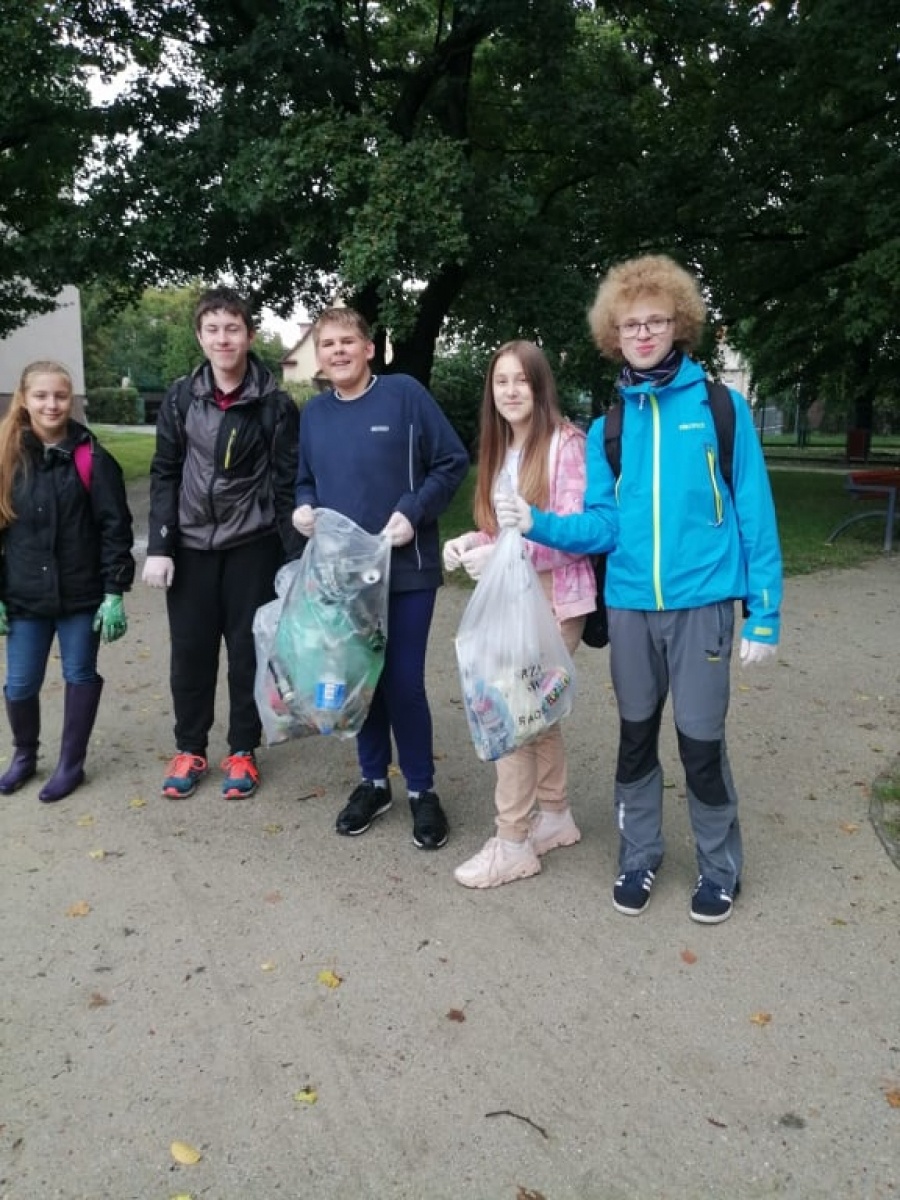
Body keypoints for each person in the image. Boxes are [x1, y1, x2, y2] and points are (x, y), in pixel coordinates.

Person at [495, 254, 782, 924]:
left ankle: (719, 867)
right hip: (628, 609)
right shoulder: (609, 428)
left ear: (678, 325)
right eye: (631, 325)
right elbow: (602, 523)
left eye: (657, 321)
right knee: (634, 740)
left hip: (704, 606)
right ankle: (639, 855)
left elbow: (755, 514)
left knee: (700, 743)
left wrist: (764, 612)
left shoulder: (721, 409)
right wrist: (538, 522)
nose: (644, 333)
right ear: (614, 335)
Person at [293, 307, 469, 849]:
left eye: (349, 341)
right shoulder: (315, 414)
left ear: (369, 348)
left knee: (402, 683)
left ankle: (421, 789)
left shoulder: (405, 395)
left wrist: (413, 510)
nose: (338, 351)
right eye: (328, 344)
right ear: (319, 357)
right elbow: (304, 480)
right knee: (357, 680)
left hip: (406, 570)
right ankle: (374, 783)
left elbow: (452, 461)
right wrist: (303, 508)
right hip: (343, 575)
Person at [442, 340, 595, 888]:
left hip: (554, 600)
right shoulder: (501, 446)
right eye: (500, 381)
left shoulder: (565, 445)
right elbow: (505, 527)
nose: (509, 391)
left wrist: (506, 551)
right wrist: (471, 540)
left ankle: (513, 843)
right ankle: (554, 815)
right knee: (536, 716)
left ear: (540, 385)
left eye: (520, 381)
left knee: (509, 719)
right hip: (515, 600)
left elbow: (576, 534)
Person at [142, 286, 302, 800]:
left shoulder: (274, 403)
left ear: (249, 335)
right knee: (190, 653)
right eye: (212, 329)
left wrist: (293, 557)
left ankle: (242, 750)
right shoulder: (180, 397)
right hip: (189, 549)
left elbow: (285, 484)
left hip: (251, 546)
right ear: (200, 336)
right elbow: (165, 471)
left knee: (246, 654)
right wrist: (160, 545)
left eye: (232, 328)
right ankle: (190, 748)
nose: (222, 338)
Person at [0, 360, 134, 802]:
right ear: (25, 398)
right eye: (41, 396)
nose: (51, 404)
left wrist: (114, 591)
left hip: (80, 596)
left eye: (60, 396)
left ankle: (70, 765)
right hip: (24, 597)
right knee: (20, 683)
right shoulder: (7, 457)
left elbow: (115, 527)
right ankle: (24, 756)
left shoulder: (91, 457)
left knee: (79, 674)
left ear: (70, 399)